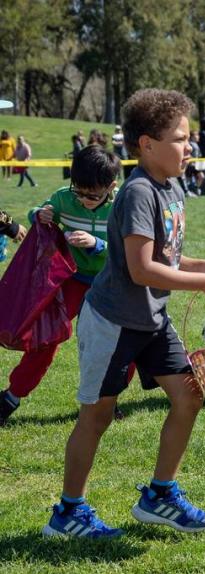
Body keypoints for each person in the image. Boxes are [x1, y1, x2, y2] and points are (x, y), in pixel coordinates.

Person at [42, 89, 205, 539]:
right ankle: (68, 512)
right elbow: (141, 268)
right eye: (180, 138)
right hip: (113, 320)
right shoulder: (138, 193)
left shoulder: (172, 187)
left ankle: (159, 496)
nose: (189, 147)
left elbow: (165, 258)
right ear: (147, 144)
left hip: (151, 319)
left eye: (188, 138)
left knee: (189, 396)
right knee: (97, 416)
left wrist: (203, 265)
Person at [0, 146, 126, 427]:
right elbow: (41, 212)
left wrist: (98, 245)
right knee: (47, 337)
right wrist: (39, 214)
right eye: (78, 192)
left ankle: (109, 400)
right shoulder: (63, 198)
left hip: (111, 284)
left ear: (111, 187)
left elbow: (132, 249)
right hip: (73, 281)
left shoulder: (123, 205)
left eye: (92, 195)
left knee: (117, 344)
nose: (83, 200)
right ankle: (11, 397)